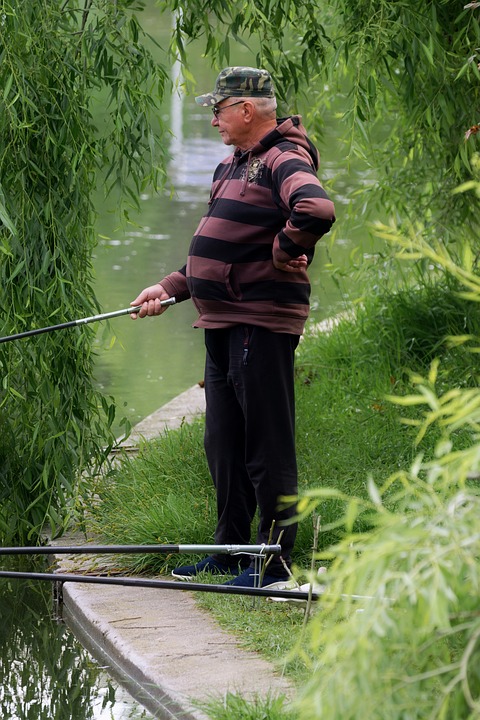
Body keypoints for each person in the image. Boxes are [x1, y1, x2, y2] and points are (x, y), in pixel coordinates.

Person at [130, 67, 336, 588]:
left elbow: (314, 208)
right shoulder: (231, 166)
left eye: (218, 109)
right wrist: (171, 288)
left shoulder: (281, 158)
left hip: (258, 322)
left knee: (266, 446)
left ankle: (272, 566)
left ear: (247, 110)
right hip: (221, 321)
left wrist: (286, 249)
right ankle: (229, 552)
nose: (213, 118)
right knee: (223, 442)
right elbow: (215, 248)